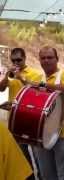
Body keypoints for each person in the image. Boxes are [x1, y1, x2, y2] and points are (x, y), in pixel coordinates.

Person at [33, 46, 64, 180]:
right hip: (42, 134)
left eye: (50, 57)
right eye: (43, 58)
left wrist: (43, 86)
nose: (46, 61)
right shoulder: (37, 77)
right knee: (47, 175)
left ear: (57, 59)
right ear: (39, 60)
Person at [0, 47, 42, 180]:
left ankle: (41, 176)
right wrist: (6, 76)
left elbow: (36, 91)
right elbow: (1, 89)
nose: (16, 63)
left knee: (38, 155)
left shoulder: (34, 73)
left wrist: (21, 78)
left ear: (25, 58)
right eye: (13, 60)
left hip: (31, 119)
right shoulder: (11, 74)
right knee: (21, 155)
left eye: (19, 60)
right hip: (15, 120)